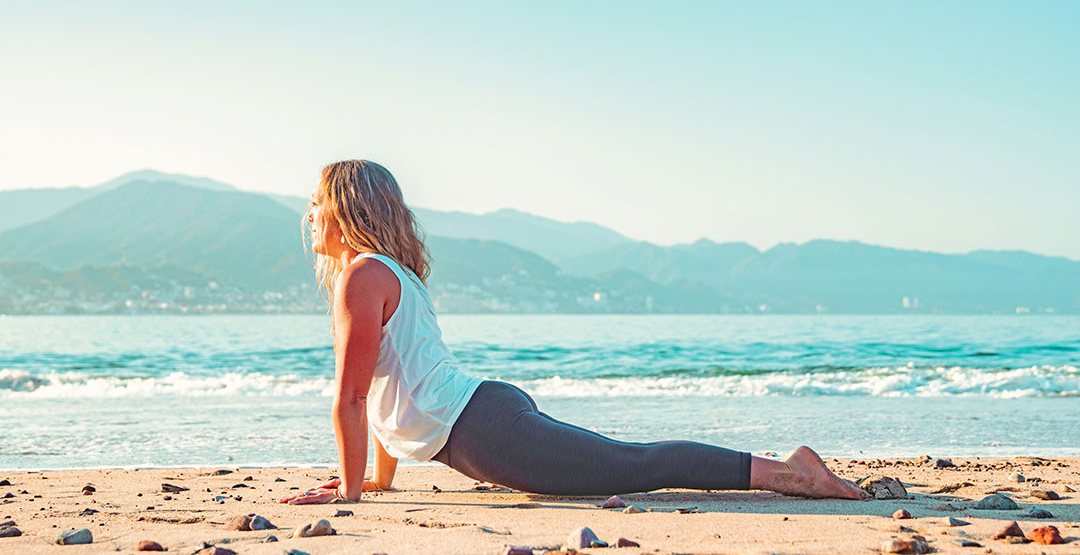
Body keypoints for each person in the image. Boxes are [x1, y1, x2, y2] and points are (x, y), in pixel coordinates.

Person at [280, 159, 869, 505]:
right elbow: (393, 387)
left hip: (483, 429)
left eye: (316, 204)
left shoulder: (361, 276)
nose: (309, 216)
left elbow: (352, 397)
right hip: (483, 415)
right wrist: (376, 480)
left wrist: (349, 495)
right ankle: (786, 468)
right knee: (629, 462)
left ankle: (792, 472)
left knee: (635, 466)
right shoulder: (389, 272)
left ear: (346, 209)